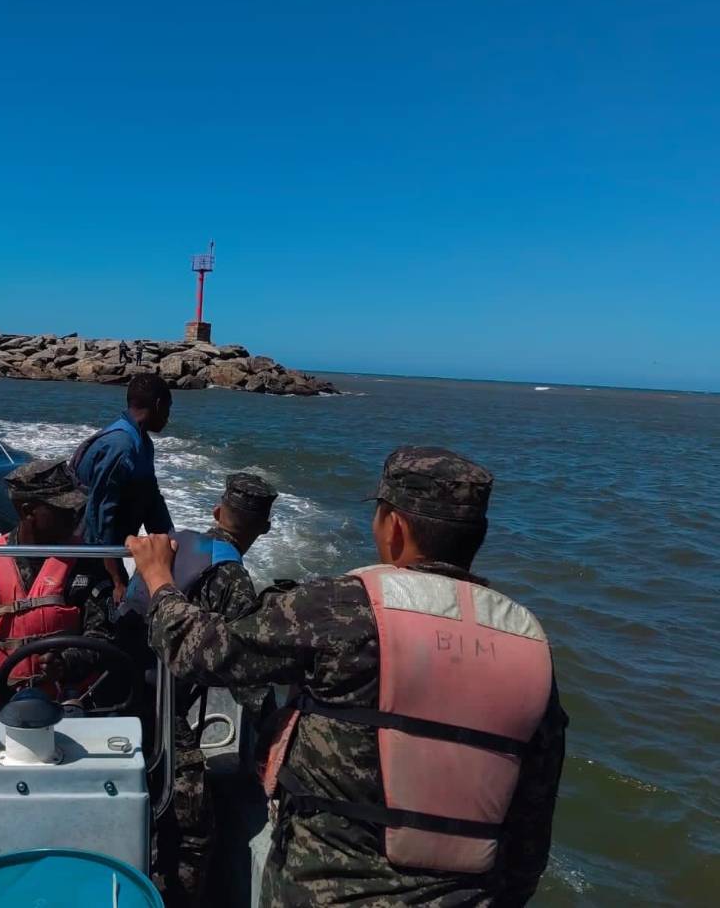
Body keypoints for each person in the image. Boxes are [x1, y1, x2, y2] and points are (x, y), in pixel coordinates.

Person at [130, 447, 568, 906]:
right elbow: (532, 827)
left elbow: (201, 650)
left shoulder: (343, 608)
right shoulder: (529, 642)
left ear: (394, 527)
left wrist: (160, 579)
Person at [115, 473, 278, 907]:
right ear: (262, 529)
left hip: (112, 690)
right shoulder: (232, 577)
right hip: (155, 710)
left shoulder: (175, 545)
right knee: (192, 826)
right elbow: (248, 677)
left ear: (215, 512)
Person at [0, 459, 112, 716]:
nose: (75, 516)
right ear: (27, 510)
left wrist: (66, 661)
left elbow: (102, 638)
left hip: (71, 707)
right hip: (3, 708)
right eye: (63, 508)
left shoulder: (86, 563)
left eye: (77, 507)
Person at [70, 373, 174, 603]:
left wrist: (173, 543)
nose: (168, 417)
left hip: (109, 550)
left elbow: (151, 498)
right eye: (168, 408)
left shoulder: (142, 443)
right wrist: (117, 580)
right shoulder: (121, 447)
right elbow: (99, 517)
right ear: (158, 405)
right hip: (91, 556)